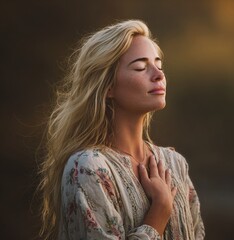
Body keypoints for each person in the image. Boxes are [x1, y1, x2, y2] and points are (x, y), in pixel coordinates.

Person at [38, 20, 205, 240]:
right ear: (108, 87)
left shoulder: (175, 164)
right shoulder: (88, 168)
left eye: (159, 65)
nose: (159, 74)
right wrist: (159, 211)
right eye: (140, 67)